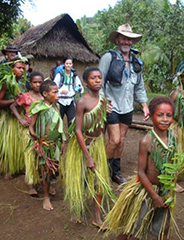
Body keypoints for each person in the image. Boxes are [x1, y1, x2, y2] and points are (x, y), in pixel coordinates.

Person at [104, 97, 182, 239]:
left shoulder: (173, 138)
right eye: (160, 115)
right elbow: (141, 172)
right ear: (151, 116)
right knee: (133, 226)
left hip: (165, 191)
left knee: (163, 227)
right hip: (147, 191)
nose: (165, 119)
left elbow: (174, 166)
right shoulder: (146, 141)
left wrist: (171, 190)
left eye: (168, 115)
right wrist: (154, 196)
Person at [99, 23, 149, 185]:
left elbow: (139, 86)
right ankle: (104, 169)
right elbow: (99, 81)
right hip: (111, 105)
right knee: (113, 139)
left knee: (121, 140)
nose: (126, 42)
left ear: (132, 42)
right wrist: (103, 100)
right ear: (117, 40)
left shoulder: (136, 62)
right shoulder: (109, 57)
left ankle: (116, 171)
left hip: (127, 107)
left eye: (129, 39)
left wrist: (144, 105)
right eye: (123, 38)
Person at [63, 67, 113, 228]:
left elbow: (102, 124)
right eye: (93, 78)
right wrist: (87, 155)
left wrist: (102, 145)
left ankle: (97, 217)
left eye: (99, 77)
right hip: (82, 146)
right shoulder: (82, 102)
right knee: (80, 178)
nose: (97, 80)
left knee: (99, 181)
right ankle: (76, 210)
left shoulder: (104, 100)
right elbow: (77, 130)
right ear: (85, 82)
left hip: (97, 144)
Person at [28, 80, 65, 210]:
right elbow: (31, 128)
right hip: (42, 144)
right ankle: (45, 197)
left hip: (54, 144)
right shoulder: (38, 108)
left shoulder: (56, 107)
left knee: (52, 168)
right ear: (45, 94)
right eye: (55, 92)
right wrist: (38, 144)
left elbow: (58, 126)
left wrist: (62, 142)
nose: (58, 95)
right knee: (44, 169)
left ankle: (49, 186)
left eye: (58, 92)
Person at [10, 71, 44, 196]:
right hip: (28, 131)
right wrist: (21, 119)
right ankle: (30, 185)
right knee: (29, 157)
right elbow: (13, 106)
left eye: (40, 82)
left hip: (42, 131)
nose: (37, 85)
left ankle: (44, 182)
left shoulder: (45, 96)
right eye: (35, 82)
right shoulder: (25, 96)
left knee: (42, 157)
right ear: (30, 83)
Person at [53, 56, 84, 127]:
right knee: (57, 121)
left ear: (72, 65)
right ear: (64, 64)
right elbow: (53, 88)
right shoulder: (59, 75)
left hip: (70, 101)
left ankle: (71, 136)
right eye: (67, 63)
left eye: (70, 64)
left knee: (72, 121)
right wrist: (60, 91)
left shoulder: (74, 76)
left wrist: (79, 89)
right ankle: (57, 137)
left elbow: (81, 88)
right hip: (60, 101)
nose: (68, 65)